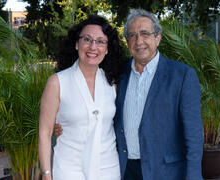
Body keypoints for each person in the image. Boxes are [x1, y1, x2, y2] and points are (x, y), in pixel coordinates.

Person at [55, 9, 203, 180]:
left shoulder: (182, 76)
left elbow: (193, 137)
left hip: (165, 172)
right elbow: (89, 102)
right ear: (127, 41)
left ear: (158, 37)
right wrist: (58, 122)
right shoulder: (116, 73)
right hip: (124, 169)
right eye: (132, 35)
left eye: (145, 34)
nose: (139, 41)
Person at [38, 15, 126, 180]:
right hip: (69, 169)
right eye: (87, 39)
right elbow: (45, 132)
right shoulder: (57, 82)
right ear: (77, 43)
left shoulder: (112, 83)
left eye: (100, 41)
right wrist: (46, 174)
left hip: (108, 169)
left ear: (107, 49)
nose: (93, 47)